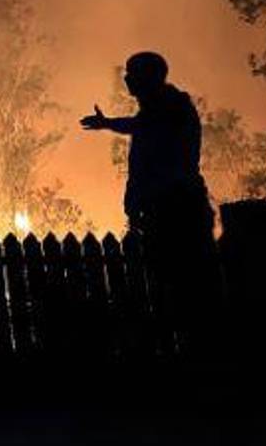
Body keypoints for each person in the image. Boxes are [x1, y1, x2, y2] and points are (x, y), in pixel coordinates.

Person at [80, 51, 217, 357]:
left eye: (133, 73)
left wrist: (145, 200)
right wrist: (108, 124)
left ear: (151, 76)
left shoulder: (170, 108)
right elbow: (140, 126)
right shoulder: (160, 109)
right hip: (164, 211)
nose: (127, 79)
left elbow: (150, 140)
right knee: (173, 290)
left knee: (184, 291)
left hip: (176, 213)